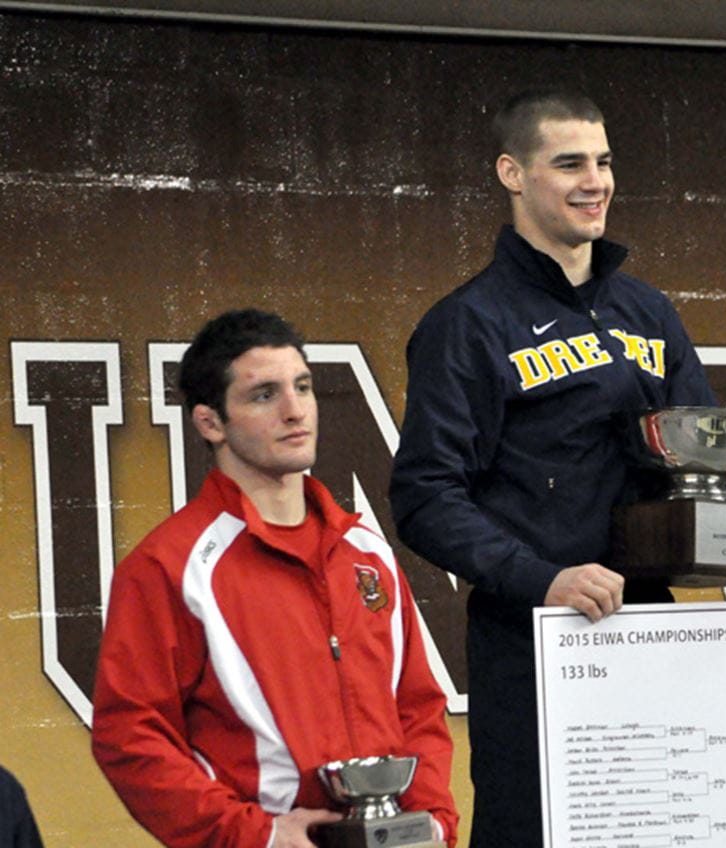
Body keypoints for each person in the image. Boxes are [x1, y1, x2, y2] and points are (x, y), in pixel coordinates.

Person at [389, 89, 726, 847]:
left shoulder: (650, 313)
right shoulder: (467, 324)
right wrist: (543, 577)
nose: (595, 181)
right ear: (512, 174)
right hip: (537, 638)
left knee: (668, 830)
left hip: (652, 630)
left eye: (604, 162)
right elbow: (424, 497)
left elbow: (706, 463)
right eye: (569, 163)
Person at [91, 309, 457, 848]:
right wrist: (254, 835)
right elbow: (130, 737)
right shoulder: (171, 565)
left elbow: (418, 707)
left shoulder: (365, 552)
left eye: (303, 387)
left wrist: (431, 820)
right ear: (210, 422)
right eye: (264, 395)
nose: (295, 411)